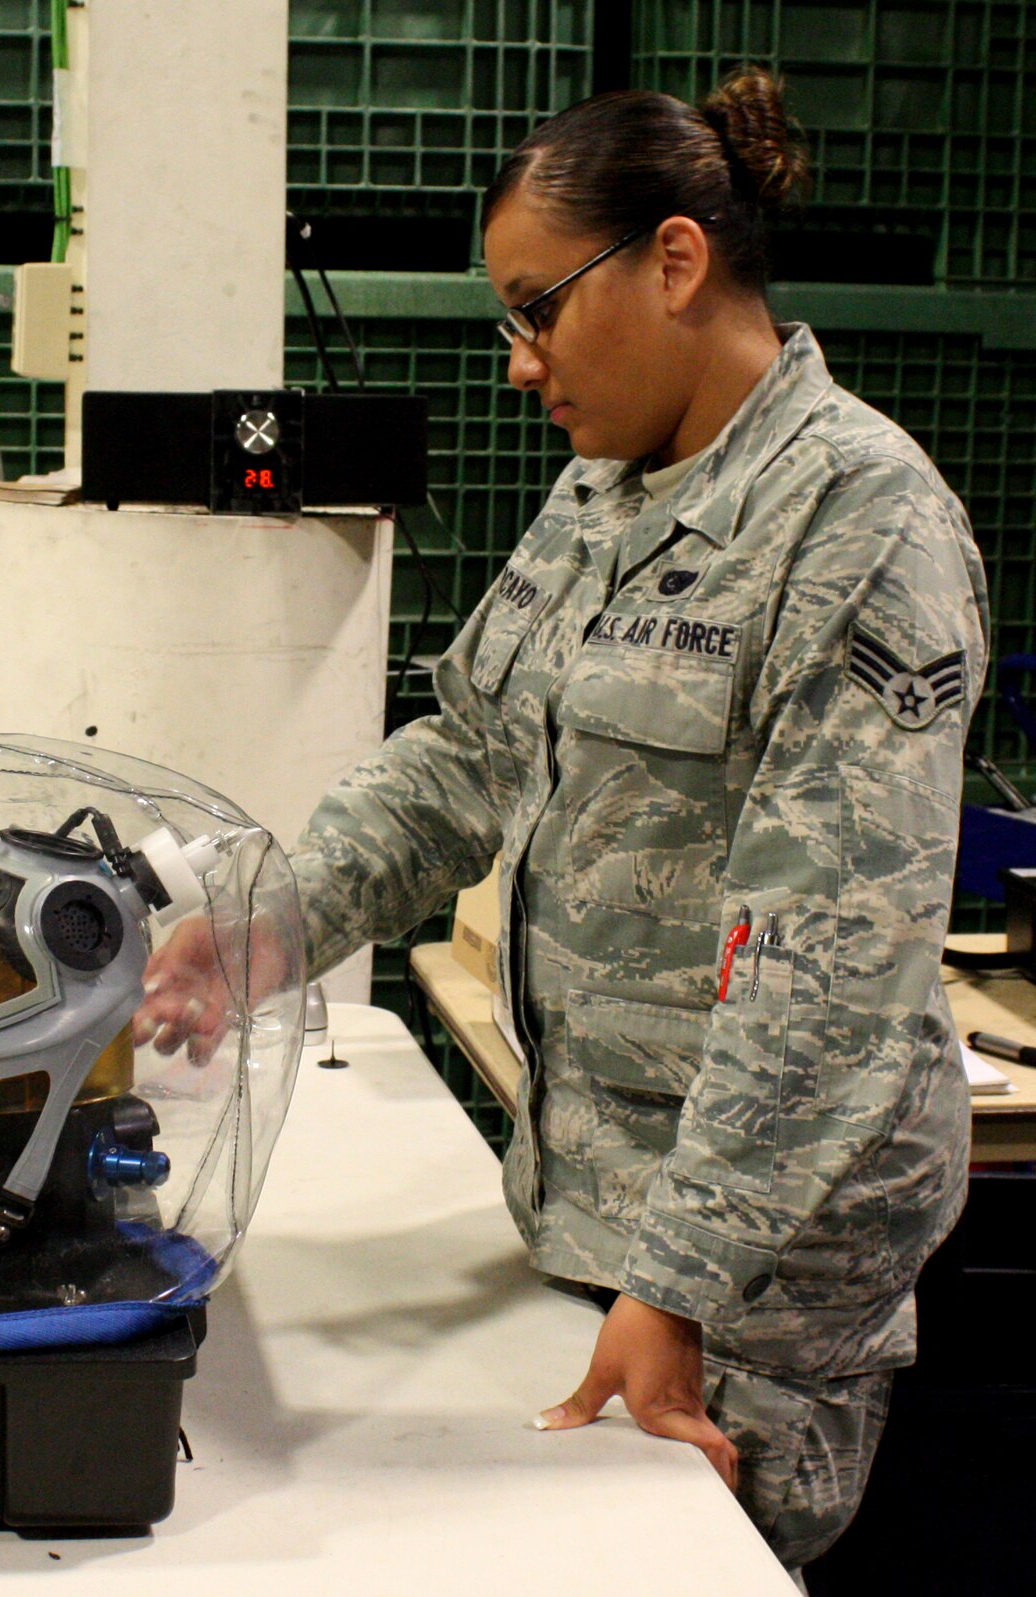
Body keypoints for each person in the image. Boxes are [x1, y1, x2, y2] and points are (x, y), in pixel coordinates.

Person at [134, 69, 988, 1572]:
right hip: (597, 1216)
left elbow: (825, 968)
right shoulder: (607, 489)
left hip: (751, 1279)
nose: (520, 363)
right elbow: (470, 750)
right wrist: (275, 915)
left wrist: (681, 1285)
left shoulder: (862, 524)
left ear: (673, 262)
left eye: (538, 309)